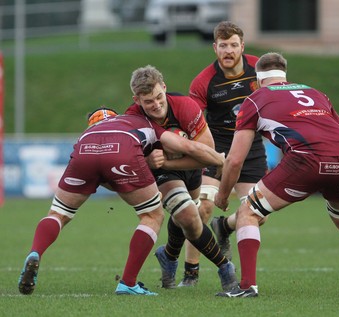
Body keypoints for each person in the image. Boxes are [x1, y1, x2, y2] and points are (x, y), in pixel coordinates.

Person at [214, 52, 339, 298]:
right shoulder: (316, 94)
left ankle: (247, 286)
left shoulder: (255, 99)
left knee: (248, 211)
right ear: (285, 75)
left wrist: (223, 195)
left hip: (306, 160)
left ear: (257, 80)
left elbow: (235, 159)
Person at [18, 107, 225, 296]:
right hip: (122, 150)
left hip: (84, 152)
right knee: (152, 215)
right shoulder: (136, 122)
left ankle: (35, 252)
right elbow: (185, 146)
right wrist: (220, 160)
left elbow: (104, 175)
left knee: (58, 213)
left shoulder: (88, 132)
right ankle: (128, 282)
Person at [125, 65, 238, 291]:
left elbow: (207, 152)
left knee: (186, 215)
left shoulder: (185, 106)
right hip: (163, 174)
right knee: (187, 215)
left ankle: (168, 255)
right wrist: (148, 162)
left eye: (159, 97)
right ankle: (225, 268)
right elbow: (132, 158)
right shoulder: (132, 118)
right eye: (148, 102)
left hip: (191, 166)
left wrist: (167, 160)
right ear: (137, 100)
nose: (156, 105)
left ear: (164, 88)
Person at [182, 20, 267, 287]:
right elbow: (191, 118)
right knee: (204, 206)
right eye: (222, 46)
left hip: (251, 148)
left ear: (242, 46)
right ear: (214, 48)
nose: (228, 51)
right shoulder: (203, 81)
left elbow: (279, 96)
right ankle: (191, 272)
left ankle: (225, 227)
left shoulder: (260, 69)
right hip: (215, 149)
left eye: (233, 45)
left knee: (257, 214)